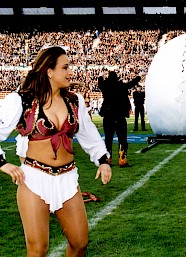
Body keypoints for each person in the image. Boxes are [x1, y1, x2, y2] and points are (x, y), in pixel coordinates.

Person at [0, 46, 112, 257]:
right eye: (65, 67)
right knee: (37, 249)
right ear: (49, 71)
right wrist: (2, 163)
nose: (71, 72)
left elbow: (89, 135)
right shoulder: (22, 101)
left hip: (68, 178)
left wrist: (103, 159)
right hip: (34, 179)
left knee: (80, 243)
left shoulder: (74, 101)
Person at [98, 71, 143, 167]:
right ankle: (122, 160)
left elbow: (100, 83)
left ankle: (107, 159)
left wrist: (101, 76)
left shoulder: (105, 86)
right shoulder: (121, 86)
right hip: (119, 115)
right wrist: (139, 76)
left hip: (108, 116)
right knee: (122, 139)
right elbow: (131, 84)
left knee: (108, 139)